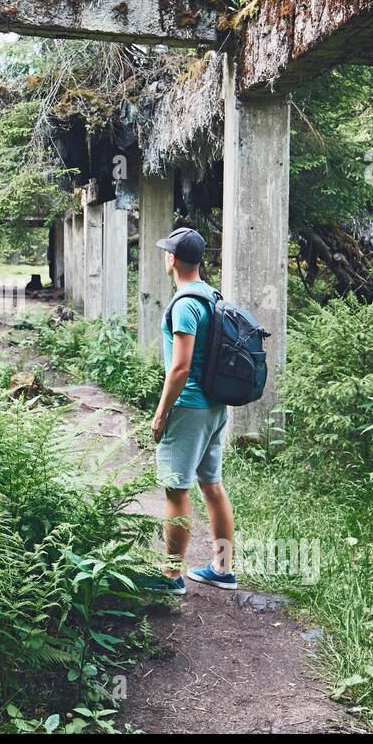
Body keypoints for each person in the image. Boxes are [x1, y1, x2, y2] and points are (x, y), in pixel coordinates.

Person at [148, 227, 237, 593]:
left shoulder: (185, 304)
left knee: (176, 489)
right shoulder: (211, 295)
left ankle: (171, 576)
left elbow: (181, 368)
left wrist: (161, 413)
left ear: (171, 259)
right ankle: (223, 569)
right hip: (216, 407)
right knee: (211, 485)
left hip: (190, 410)